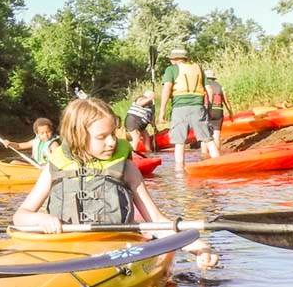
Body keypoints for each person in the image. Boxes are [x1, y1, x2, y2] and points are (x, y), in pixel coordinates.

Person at [13, 97, 219, 269]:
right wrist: (41, 220)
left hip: (115, 254)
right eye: (102, 137)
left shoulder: (127, 169)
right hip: (65, 253)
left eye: (113, 133)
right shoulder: (54, 168)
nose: (112, 141)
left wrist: (196, 245)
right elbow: (20, 216)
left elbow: (155, 220)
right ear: (77, 136)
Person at [157, 48, 219, 170]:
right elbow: (209, 90)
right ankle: (219, 163)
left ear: (175, 59)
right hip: (198, 106)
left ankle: (179, 171)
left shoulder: (171, 69)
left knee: (179, 142)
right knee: (208, 138)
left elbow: (167, 89)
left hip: (180, 107)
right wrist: (208, 107)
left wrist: (162, 111)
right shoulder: (198, 69)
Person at [202, 69, 234, 154]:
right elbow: (226, 101)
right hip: (218, 110)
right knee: (216, 134)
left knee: (204, 134)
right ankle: (217, 153)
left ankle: (204, 155)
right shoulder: (220, 86)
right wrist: (230, 113)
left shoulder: (203, 86)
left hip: (207, 110)